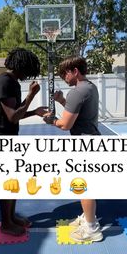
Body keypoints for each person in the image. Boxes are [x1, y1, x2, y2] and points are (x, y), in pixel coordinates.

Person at [0, 48, 48, 236]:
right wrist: (31, 96)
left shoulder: (12, 82)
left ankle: (11, 218)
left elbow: (15, 113)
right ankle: (6, 224)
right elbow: (12, 117)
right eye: (29, 69)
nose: (29, 75)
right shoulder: (4, 81)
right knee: (7, 182)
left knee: (14, 180)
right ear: (22, 66)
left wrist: (33, 111)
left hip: (8, 136)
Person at [44, 56, 103, 243]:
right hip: (92, 138)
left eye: (65, 74)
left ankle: (92, 228)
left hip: (84, 143)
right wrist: (62, 100)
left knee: (84, 186)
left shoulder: (77, 92)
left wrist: (48, 119)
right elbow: (78, 113)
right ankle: (87, 218)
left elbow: (65, 124)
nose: (63, 78)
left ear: (75, 71)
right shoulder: (90, 87)